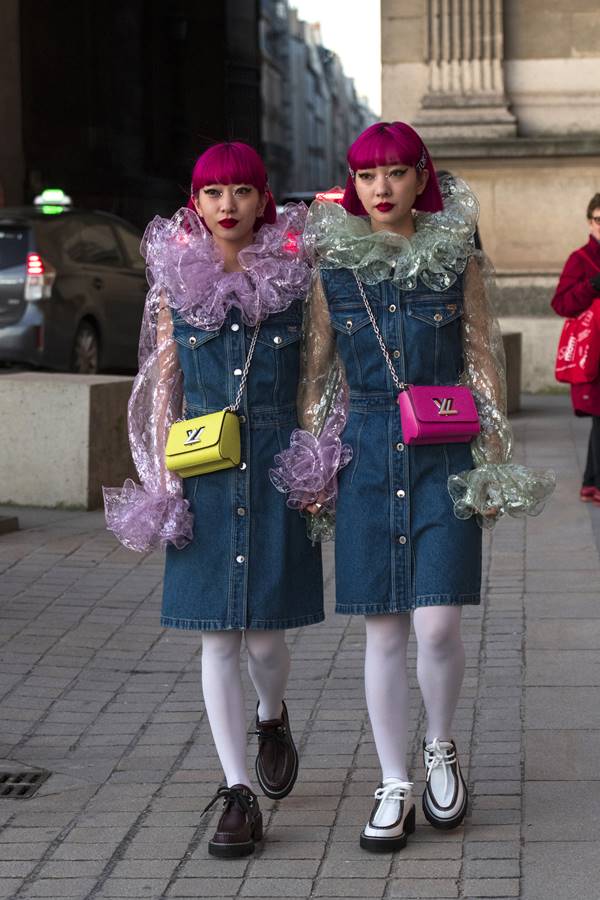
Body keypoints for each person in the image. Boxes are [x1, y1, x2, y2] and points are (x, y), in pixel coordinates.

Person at [271, 122, 554, 852]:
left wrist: (493, 455)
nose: (382, 188)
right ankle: (393, 779)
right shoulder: (335, 266)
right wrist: (313, 461)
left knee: (439, 625)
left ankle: (441, 746)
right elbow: (316, 374)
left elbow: (483, 356)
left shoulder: (456, 254)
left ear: (419, 178)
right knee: (385, 629)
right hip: (365, 453)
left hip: (445, 449)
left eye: (396, 173)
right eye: (368, 176)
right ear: (353, 183)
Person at [103, 142, 323, 858]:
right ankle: (237, 793)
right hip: (202, 469)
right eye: (212, 193)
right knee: (215, 637)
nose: (226, 205)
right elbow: (159, 381)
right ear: (194, 204)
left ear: (264, 200)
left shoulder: (296, 278)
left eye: (240, 191)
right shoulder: (173, 279)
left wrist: (316, 459)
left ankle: (271, 714)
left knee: (265, 637)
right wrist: (161, 480)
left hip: (272, 466)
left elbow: (315, 380)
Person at [552, 192, 600, 503]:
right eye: (599, 220)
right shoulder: (581, 259)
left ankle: (590, 481)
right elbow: (561, 304)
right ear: (589, 222)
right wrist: (591, 286)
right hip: (595, 353)